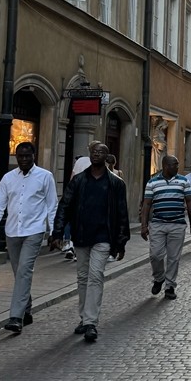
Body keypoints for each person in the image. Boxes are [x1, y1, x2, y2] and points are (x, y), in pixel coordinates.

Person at [50, 141, 130, 342]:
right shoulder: (78, 181)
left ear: (107, 157)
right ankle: (84, 318)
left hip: (103, 237)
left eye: (101, 152)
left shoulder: (116, 183)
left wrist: (121, 241)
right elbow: (64, 206)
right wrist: (58, 232)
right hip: (81, 235)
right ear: (90, 155)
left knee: (95, 275)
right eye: (94, 151)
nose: (96, 154)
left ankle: (91, 322)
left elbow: (122, 214)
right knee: (83, 277)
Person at [0, 142, 58, 336]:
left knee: (25, 270)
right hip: (12, 232)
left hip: (34, 230)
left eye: (27, 156)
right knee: (19, 273)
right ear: (16, 157)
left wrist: (53, 232)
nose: (24, 159)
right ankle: (26, 308)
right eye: (20, 156)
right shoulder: (8, 178)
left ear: (34, 156)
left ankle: (15, 318)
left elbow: (52, 206)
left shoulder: (45, 176)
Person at [140, 154, 191, 297]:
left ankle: (170, 286)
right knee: (155, 255)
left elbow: (189, 201)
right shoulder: (152, 182)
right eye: (175, 164)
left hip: (177, 224)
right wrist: (143, 225)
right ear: (166, 166)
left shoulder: (183, 181)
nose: (178, 167)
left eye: (177, 164)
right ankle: (159, 278)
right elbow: (147, 204)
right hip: (157, 224)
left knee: (173, 258)